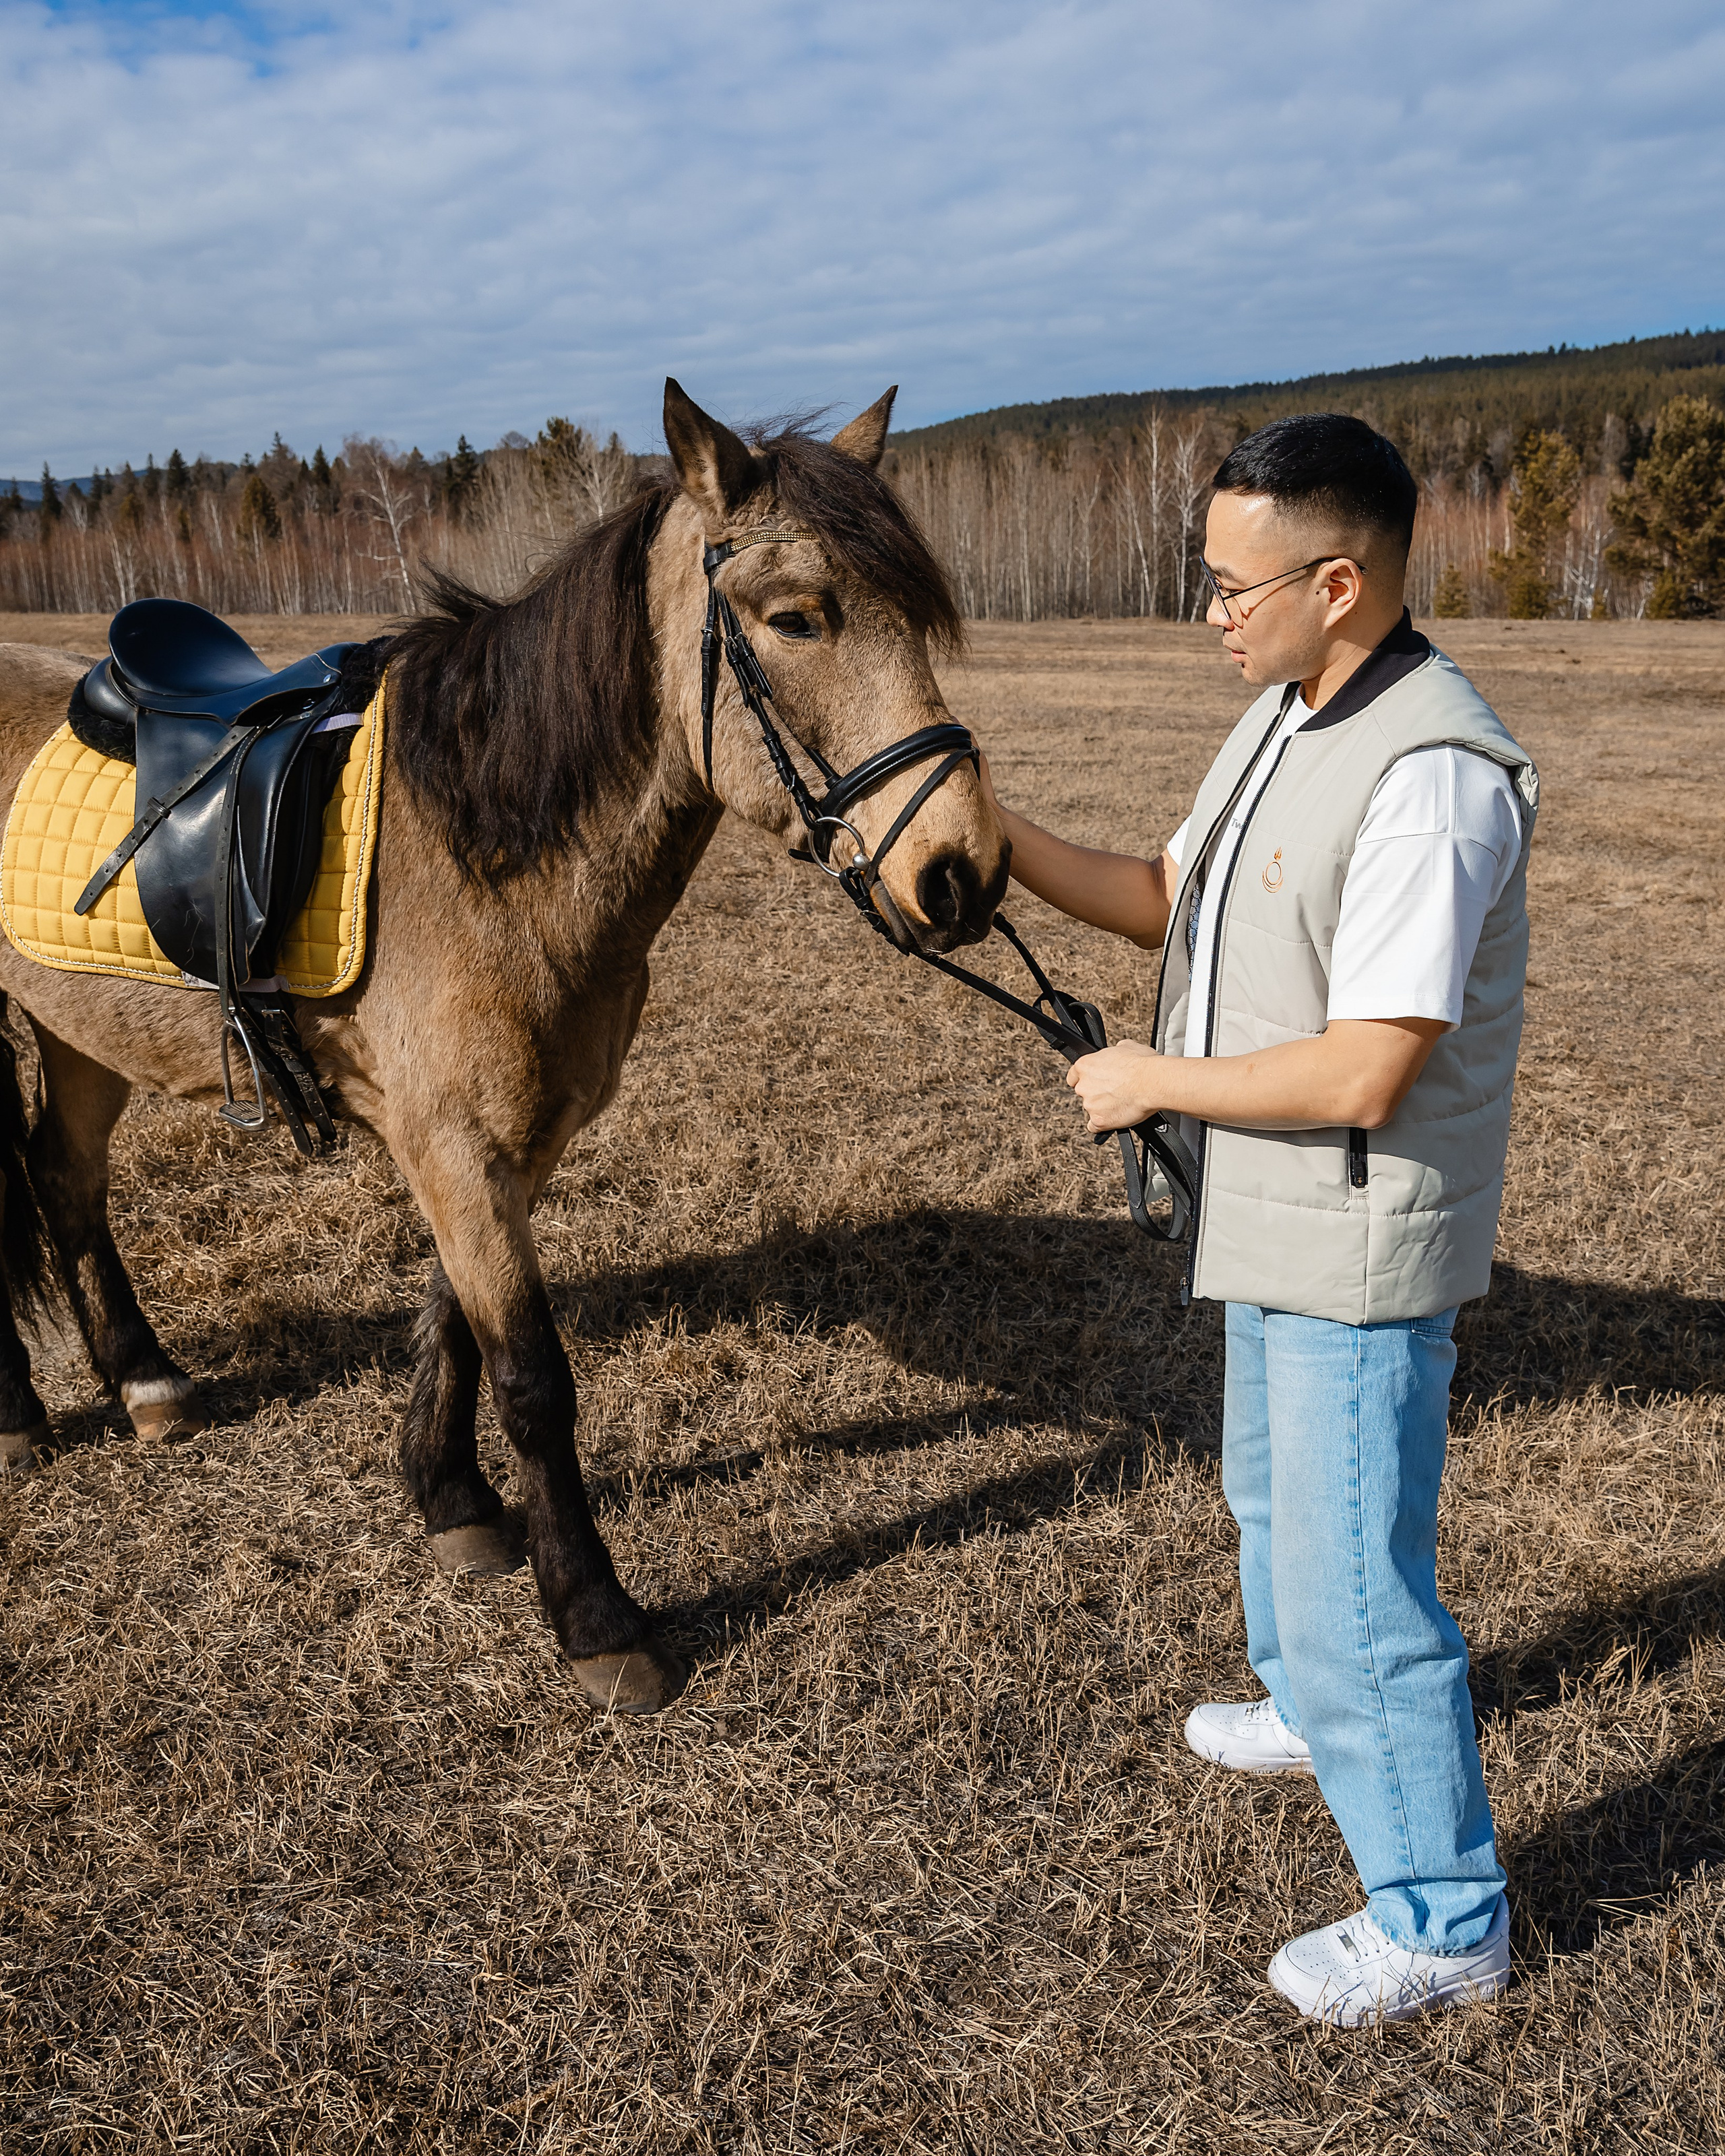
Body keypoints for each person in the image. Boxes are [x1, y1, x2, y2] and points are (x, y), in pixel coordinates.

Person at [980, 413, 1538, 2027]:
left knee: (1364, 1580)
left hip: (1354, 1235)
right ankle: (1308, 1708)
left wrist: (1156, 1073)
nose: (1207, 609)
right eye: (1200, 576)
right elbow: (1171, 897)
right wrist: (989, 838)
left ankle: (1441, 1919)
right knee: (1268, 1496)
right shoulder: (1283, 716)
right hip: (1267, 1211)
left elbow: (1369, 1069)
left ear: (1339, 580)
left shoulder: (1434, 777)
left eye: (1232, 584)